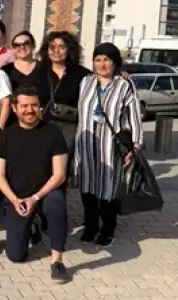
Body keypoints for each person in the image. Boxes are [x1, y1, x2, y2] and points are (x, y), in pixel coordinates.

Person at [0, 86, 70, 283]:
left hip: (45, 193)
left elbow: (60, 175)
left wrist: (35, 198)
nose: (30, 110)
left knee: (56, 204)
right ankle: (32, 226)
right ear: (14, 108)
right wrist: (15, 199)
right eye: (25, 106)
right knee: (16, 256)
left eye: (34, 105)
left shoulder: (53, 133)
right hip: (18, 196)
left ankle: (57, 261)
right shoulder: (6, 136)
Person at [75, 43, 143, 247]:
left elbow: (135, 117)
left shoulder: (124, 85)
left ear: (115, 63)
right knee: (87, 189)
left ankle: (108, 229)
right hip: (86, 145)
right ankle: (90, 226)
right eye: (98, 59)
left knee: (108, 190)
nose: (102, 64)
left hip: (110, 147)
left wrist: (135, 145)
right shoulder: (85, 82)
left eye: (107, 59)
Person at [37, 31, 91, 162]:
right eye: (52, 47)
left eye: (61, 47)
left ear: (69, 50)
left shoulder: (82, 74)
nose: (56, 51)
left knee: (64, 162)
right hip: (44, 125)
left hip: (70, 128)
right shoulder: (39, 72)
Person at [1, 30, 41, 127]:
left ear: (33, 46)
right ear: (13, 49)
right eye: (17, 45)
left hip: (38, 120)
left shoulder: (44, 68)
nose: (22, 47)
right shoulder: (5, 70)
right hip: (12, 122)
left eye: (26, 43)